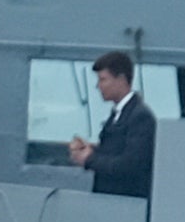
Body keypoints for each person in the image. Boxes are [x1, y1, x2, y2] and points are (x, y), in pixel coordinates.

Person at [65, 50, 156, 197]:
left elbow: (130, 165)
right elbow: (114, 152)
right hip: (110, 201)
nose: (98, 86)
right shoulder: (119, 115)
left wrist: (89, 159)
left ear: (121, 79)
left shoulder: (140, 118)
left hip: (126, 204)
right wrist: (89, 150)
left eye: (103, 79)